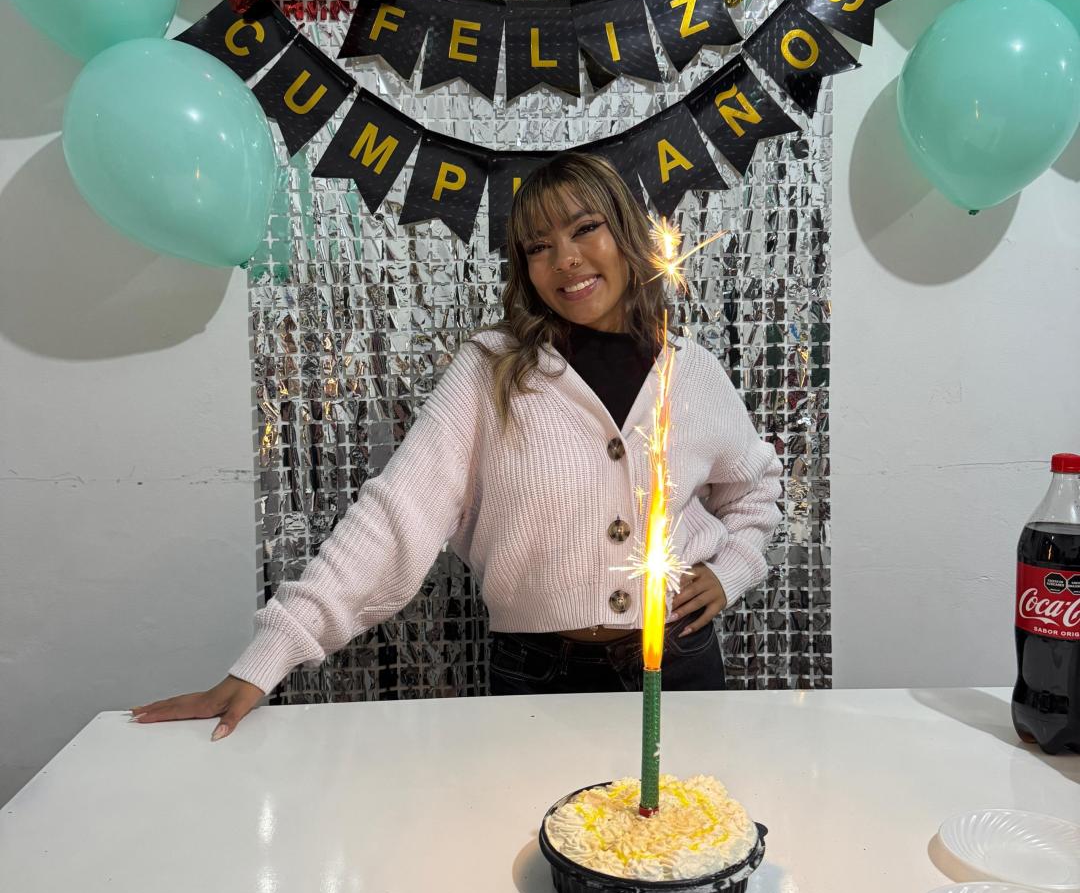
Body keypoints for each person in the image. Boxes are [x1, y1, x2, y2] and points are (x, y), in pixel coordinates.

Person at [132, 154, 782, 738]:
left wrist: (731, 572)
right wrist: (267, 657)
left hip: (679, 667)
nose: (566, 259)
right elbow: (396, 516)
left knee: (684, 830)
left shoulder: (692, 374)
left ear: (627, 233)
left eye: (586, 228)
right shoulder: (491, 372)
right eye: (539, 246)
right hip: (538, 677)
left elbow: (754, 494)